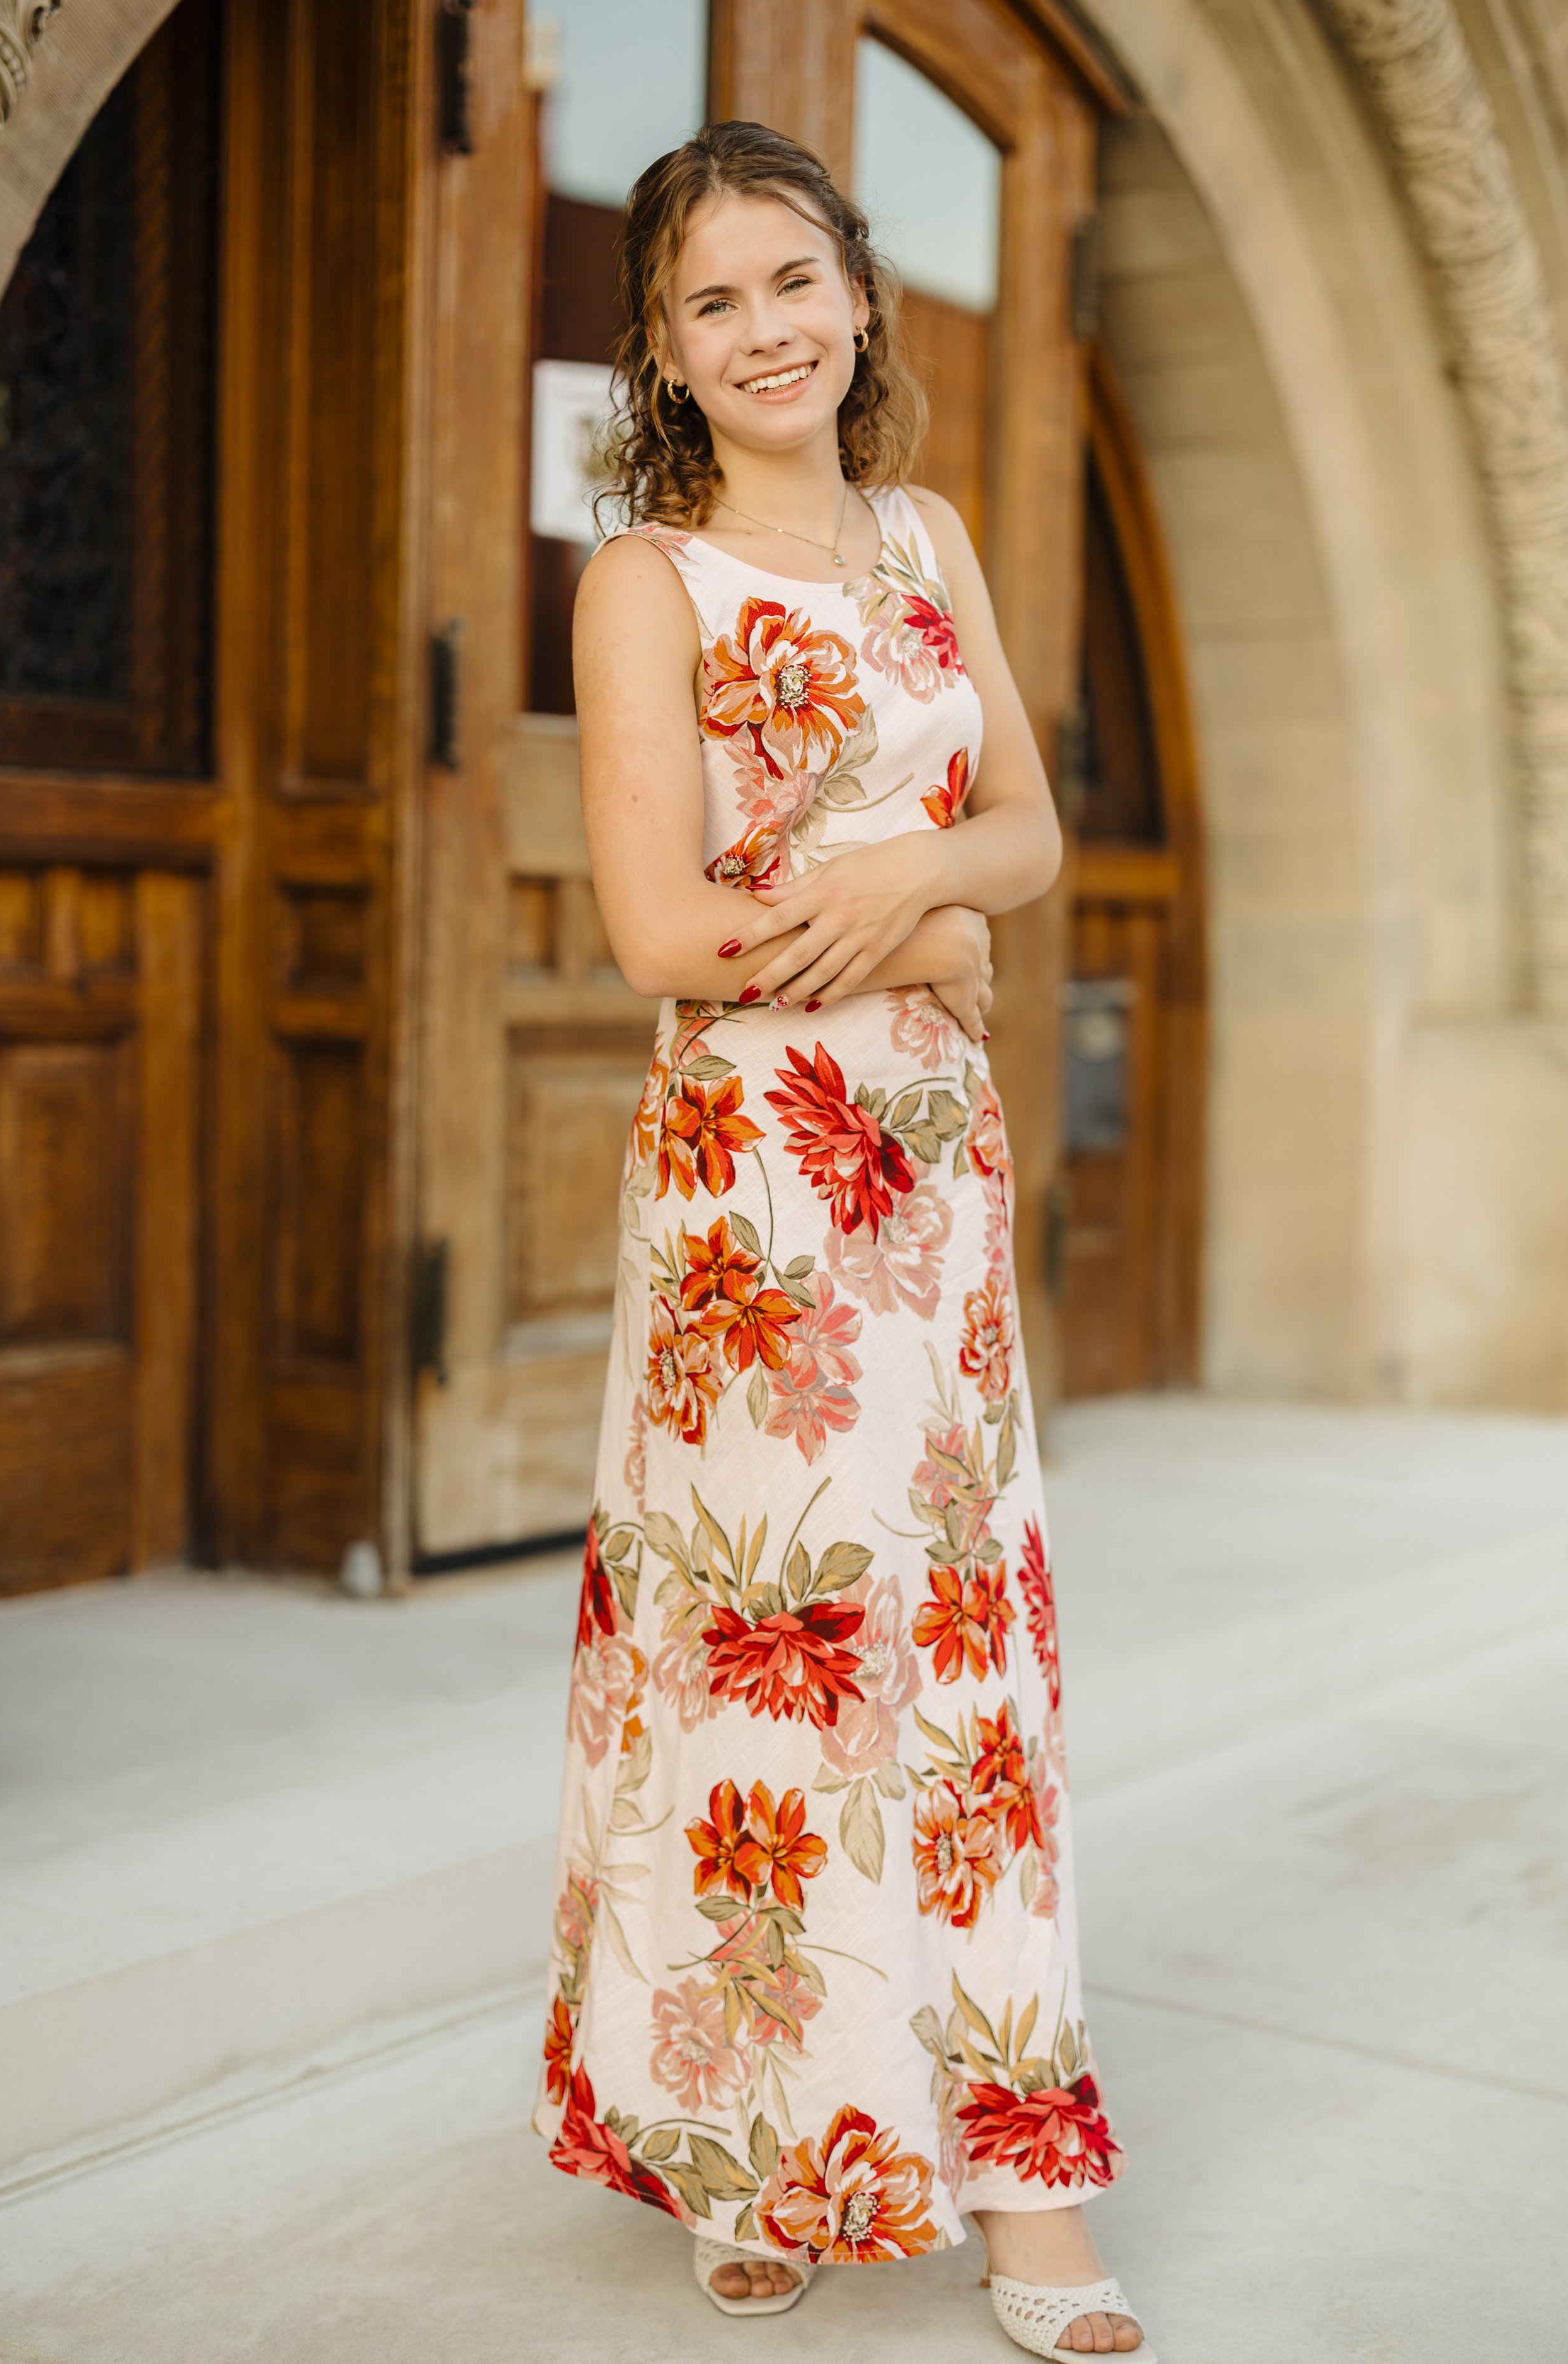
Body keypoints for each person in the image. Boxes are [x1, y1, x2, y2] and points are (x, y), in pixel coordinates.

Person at [533, 119, 1152, 2363]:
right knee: (755, 1635)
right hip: (748, 1197)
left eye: (794, 279)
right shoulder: (642, 582)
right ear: (667, 356)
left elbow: (1034, 827)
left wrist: (930, 896)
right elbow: (654, 929)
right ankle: (748, 2128)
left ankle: (1025, 2182)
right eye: (713, 302)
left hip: (932, 1166)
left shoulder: (927, 534)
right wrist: (918, 909)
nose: (765, 329)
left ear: (859, 295)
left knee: (953, 1647)